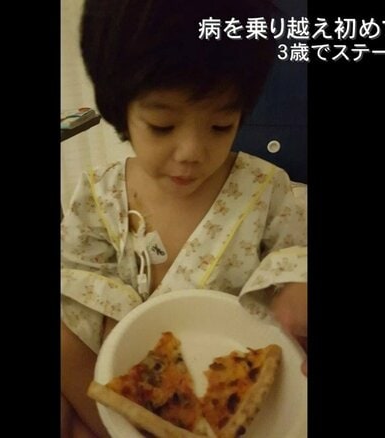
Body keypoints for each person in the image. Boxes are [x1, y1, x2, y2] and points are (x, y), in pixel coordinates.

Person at [60, 1, 308, 436]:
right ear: (121, 111)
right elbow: (79, 270)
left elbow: (293, 250)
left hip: (227, 373)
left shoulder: (266, 189)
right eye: (162, 126)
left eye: (220, 126)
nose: (192, 153)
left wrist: (293, 285)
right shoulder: (100, 193)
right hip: (127, 364)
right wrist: (112, 313)